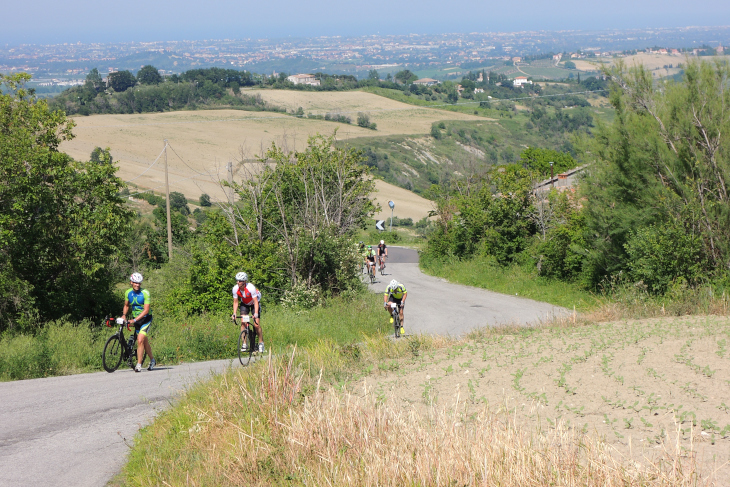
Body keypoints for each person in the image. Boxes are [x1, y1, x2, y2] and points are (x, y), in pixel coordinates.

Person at [122, 272, 156, 372]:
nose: (137, 285)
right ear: (131, 282)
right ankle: (152, 360)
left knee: (140, 339)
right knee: (143, 341)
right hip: (136, 319)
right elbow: (127, 305)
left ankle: (139, 364)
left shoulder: (145, 293)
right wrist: (124, 315)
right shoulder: (128, 293)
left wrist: (134, 320)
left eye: (139, 283)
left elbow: (146, 310)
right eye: (135, 283)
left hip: (145, 319)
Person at [232, 272, 264, 353]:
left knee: (256, 324)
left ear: (244, 281)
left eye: (240, 281)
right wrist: (234, 313)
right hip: (245, 304)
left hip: (254, 304)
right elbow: (235, 302)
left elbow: (256, 302)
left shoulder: (251, 288)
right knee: (243, 322)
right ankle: (244, 343)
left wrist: (256, 313)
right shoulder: (235, 288)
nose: (238, 282)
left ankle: (261, 342)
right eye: (237, 281)